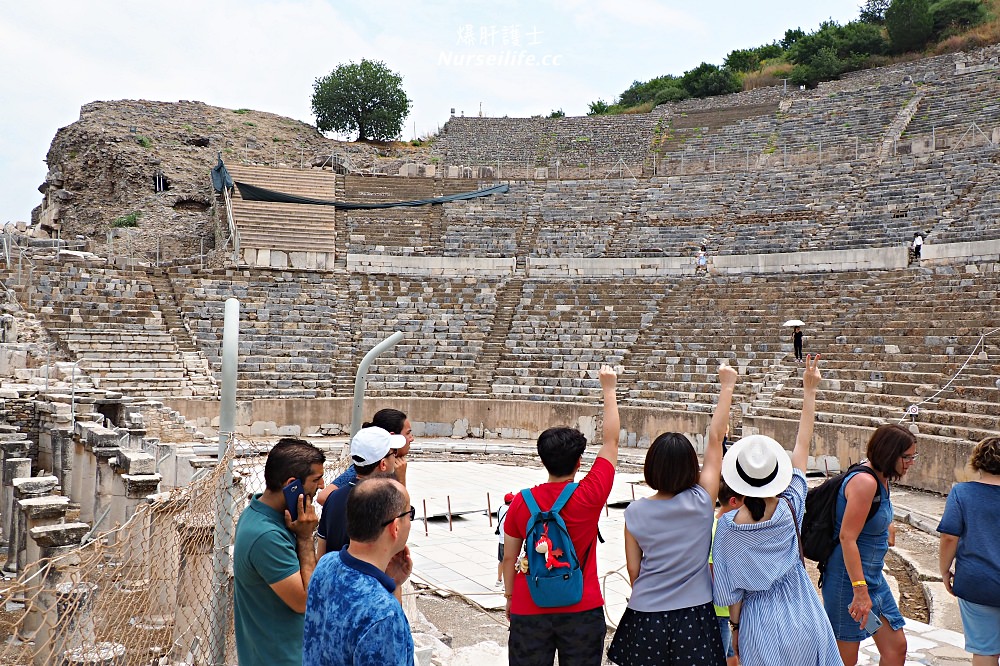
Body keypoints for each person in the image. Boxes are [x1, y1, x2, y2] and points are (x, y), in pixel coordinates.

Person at [712, 354, 841, 666]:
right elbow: (802, 445)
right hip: (805, 612)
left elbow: (731, 596)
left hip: (760, 623)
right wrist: (809, 391)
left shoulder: (728, 527)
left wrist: (736, 630)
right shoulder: (791, 504)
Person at [607, 363, 736, 666]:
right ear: (692, 468)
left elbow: (634, 572)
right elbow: (716, 439)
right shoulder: (702, 501)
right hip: (695, 614)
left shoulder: (636, 512)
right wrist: (727, 385)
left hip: (646, 612)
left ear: (651, 467)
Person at [502, 365, 620, 666]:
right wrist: (609, 389)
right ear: (579, 462)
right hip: (582, 605)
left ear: (542, 459)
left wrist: (511, 598)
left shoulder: (521, 502)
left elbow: (509, 558)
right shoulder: (589, 495)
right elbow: (611, 443)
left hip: (530, 606)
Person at [822, 423, 915, 666]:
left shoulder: (883, 479)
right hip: (849, 586)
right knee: (845, 659)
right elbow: (847, 538)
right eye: (906, 457)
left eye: (913, 456)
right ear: (889, 454)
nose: (911, 462)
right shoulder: (865, 482)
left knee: (896, 647)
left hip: (873, 581)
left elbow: (871, 517)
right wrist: (860, 592)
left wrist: (886, 526)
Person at [302, 477, 415, 666]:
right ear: (395, 527)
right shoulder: (383, 614)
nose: (410, 522)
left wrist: (392, 584)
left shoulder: (326, 565)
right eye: (408, 514)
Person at [234, 437, 325, 666]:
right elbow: (305, 601)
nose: (322, 486)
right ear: (292, 484)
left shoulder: (260, 513)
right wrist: (305, 538)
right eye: (316, 479)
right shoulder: (266, 536)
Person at [938, 436, 1000, 665]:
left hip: (978, 581)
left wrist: (945, 570)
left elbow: (948, 537)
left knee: (985, 650)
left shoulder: (962, 493)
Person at [316, 426, 406, 557]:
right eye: (394, 453)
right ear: (383, 464)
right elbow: (399, 543)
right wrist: (401, 481)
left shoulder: (333, 497)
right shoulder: (383, 503)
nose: (396, 457)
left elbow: (321, 554)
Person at [318, 409, 413, 505]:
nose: (412, 438)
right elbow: (323, 497)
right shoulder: (367, 465)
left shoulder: (396, 465)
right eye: (408, 433)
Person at [713, 480, 745, 666]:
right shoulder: (719, 529)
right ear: (734, 501)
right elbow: (714, 572)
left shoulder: (720, 526)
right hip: (721, 610)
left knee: (733, 653)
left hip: (728, 610)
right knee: (721, 655)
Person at [495, 491, 514, 589]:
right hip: (508, 540)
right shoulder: (510, 511)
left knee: (501, 560)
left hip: (501, 539)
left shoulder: (500, 508)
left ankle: (499, 580)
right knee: (509, 562)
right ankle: (506, 585)